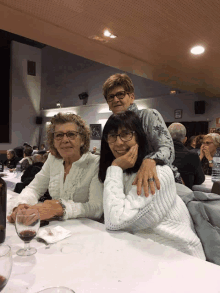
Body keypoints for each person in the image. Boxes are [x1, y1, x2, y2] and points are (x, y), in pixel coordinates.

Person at [99, 111, 205, 259]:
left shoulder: (156, 172)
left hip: (179, 257)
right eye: (112, 135)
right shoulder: (124, 172)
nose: (118, 142)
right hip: (142, 250)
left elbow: (115, 222)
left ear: (139, 137)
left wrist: (115, 167)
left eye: (126, 134)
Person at [7, 113, 103, 223]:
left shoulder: (95, 163)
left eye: (71, 134)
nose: (65, 140)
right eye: (59, 135)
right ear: (53, 141)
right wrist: (21, 205)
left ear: (82, 140)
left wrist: (60, 208)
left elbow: (97, 208)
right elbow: (34, 189)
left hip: (88, 231)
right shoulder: (53, 159)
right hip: (56, 230)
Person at [103, 73, 181, 197]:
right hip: (128, 182)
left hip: (159, 181)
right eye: (110, 97)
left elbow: (168, 149)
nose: (115, 100)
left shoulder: (148, 116)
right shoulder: (111, 125)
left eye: (120, 94)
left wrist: (150, 160)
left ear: (132, 97)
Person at [168, 123, 205, 189]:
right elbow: (200, 180)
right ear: (185, 139)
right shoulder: (192, 156)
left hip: (162, 195)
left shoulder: (157, 155)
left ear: (167, 137)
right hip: (185, 196)